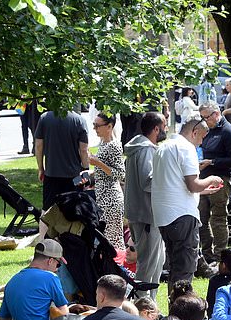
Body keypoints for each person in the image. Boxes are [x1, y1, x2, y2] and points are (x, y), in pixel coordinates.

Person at [154, 116, 223, 292]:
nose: (201, 144)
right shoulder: (186, 148)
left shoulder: (163, 147)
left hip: (164, 216)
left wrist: (204, 190)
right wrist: (210, 179)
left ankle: (175, 312)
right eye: (201, 138)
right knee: (185, 269)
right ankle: (182, 311)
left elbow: (174, 183)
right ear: (194, 132)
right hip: (182, 215)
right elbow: (193, 184)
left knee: (176, 268)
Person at [0, 240, 90, 320]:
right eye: (58, 264)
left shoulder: (12, 281)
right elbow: (64, 315)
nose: (57, 269)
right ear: (50, 261)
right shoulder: (50, 278)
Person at [124, 112, 166, 297]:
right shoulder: (146, 149)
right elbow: (147, 181)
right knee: (149, 263)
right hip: (146, 214)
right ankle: (144, 305)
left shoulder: (138, 147)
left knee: (155, 261)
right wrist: (170, 182)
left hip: (139, 213)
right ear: (156, 128)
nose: (165, 130)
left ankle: (149, 305)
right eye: (164, 126)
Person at [196, 101, 231, 265]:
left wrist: (212, 162)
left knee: (218, 219)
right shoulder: (207, 131)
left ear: (216, 114)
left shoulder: (228, 131)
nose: (204, 121)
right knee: (201, 218)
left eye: (206, 117)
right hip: (203, 179)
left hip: (220, 180)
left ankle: (220, 256)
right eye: (202, 118)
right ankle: (206, 254)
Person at [35, 107, 90, 212]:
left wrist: (41, 168)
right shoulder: (79, 120)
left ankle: (44, 229)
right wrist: (86, 171)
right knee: (75, 211)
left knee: (48, 211)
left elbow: (38, 146)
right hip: (75, 177)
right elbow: (84, 150)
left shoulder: (44, 118)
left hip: (51, 174)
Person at [89, 112, 127, 250]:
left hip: (111, 199)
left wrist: (97, 163)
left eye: (98, 126)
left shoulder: (114, 145)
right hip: (102, 197)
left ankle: (120, 269)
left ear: (109, 126)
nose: (95, 129)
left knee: (114, 240)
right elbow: (105, 169)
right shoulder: (104, 143)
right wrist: (91, 173)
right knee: (106, 239)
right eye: (94, 125)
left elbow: (120, 173)